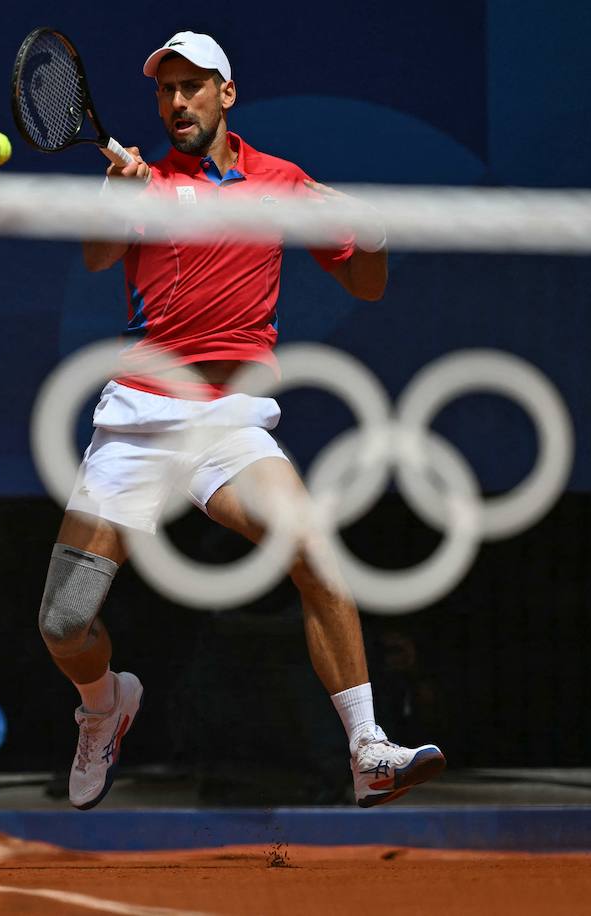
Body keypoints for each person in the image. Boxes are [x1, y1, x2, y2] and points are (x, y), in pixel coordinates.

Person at [38, 32, 444, 810]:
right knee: (63, 624)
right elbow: (96, 256)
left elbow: (367, 284)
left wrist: (376, 230)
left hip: (228, 423)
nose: (177, 102)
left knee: (313, 544)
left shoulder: (282, 184)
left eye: (193, 87)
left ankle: (367, 748)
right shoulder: (145, 183)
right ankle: (103, 705)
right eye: (166, 90)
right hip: (139, 419)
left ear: (227, 93)